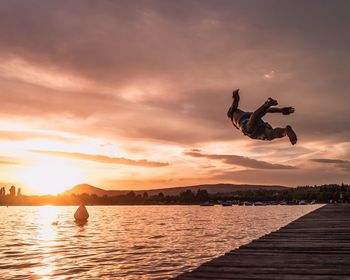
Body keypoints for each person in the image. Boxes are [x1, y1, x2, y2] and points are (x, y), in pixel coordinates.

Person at [227, 89, 297, 145]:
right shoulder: (235, 112)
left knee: (267, 133)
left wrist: (236, 98)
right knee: (270, 133)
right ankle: (285, 131)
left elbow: (260, 113)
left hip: (251, 130)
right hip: (258, 125)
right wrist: (281, 110)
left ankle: (267, 104)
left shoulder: (236, 115)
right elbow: (265, 111)